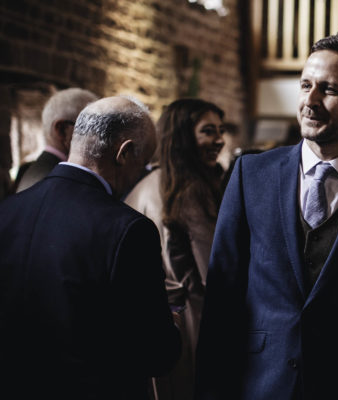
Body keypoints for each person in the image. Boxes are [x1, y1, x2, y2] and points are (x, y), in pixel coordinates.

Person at [195, 32, 338, 399]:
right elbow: (224, 292)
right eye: (305, 85)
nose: (310, 101)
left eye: (329, 90)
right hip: (257, 381)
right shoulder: (250, 174)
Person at [0, 96, 180, 399]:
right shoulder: (128, 229)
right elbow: (155, 354)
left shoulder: (8, 210)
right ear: (125, 153)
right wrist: (172, 324)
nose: (144, 172)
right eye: (145, 161)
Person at [125, 98, 225, 400]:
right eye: (208, 131)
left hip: (151, 317)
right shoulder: (190, 189)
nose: (219, 139)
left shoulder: (148, 183)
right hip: (191, 316)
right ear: (182, 135)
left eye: (220, 130)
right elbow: (213, 270)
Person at [14, 87, 98, 192]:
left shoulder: (43, 172)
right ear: (62, 130)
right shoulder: (56, 180)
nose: (97, 136)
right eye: (91, 127)